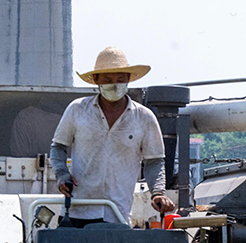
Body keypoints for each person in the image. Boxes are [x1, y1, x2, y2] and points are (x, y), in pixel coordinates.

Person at [50, 47, 175, 228]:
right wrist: (61, 174)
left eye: (120, 79)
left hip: (117, 213)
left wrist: (158, 193)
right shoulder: (77, 110)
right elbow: (58, 147)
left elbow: (154, 161)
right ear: (96, 80)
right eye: (108, 80)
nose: (114, 84)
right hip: (77, 209)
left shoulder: (144, 118)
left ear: (128, 80)